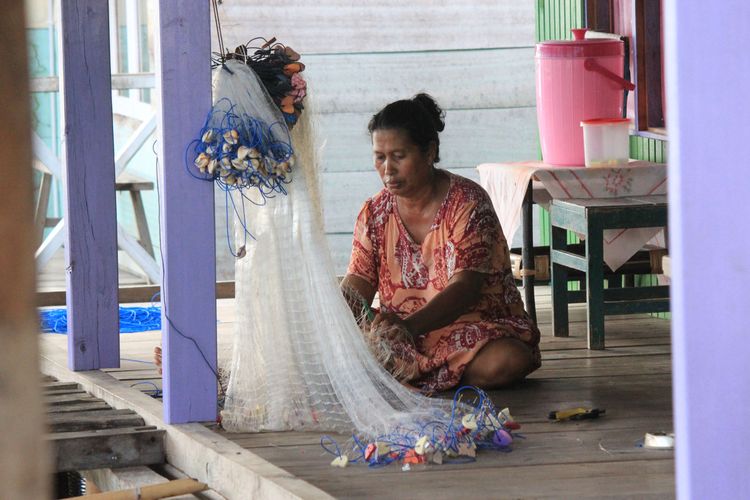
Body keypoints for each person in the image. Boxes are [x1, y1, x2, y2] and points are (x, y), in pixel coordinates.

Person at [340, 94, 541, 393]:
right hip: (401, 339)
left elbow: (465, 288)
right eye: (380, 157)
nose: (388, 169)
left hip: (471, 330)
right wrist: (336, 315)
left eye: (399, 156)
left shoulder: (467, 204)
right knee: (345, 359)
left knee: (505, 361)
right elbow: (359, 280)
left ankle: (419, 375)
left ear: (429, 152)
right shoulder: (375, 213)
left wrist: (410, 328)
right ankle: (434, 374)